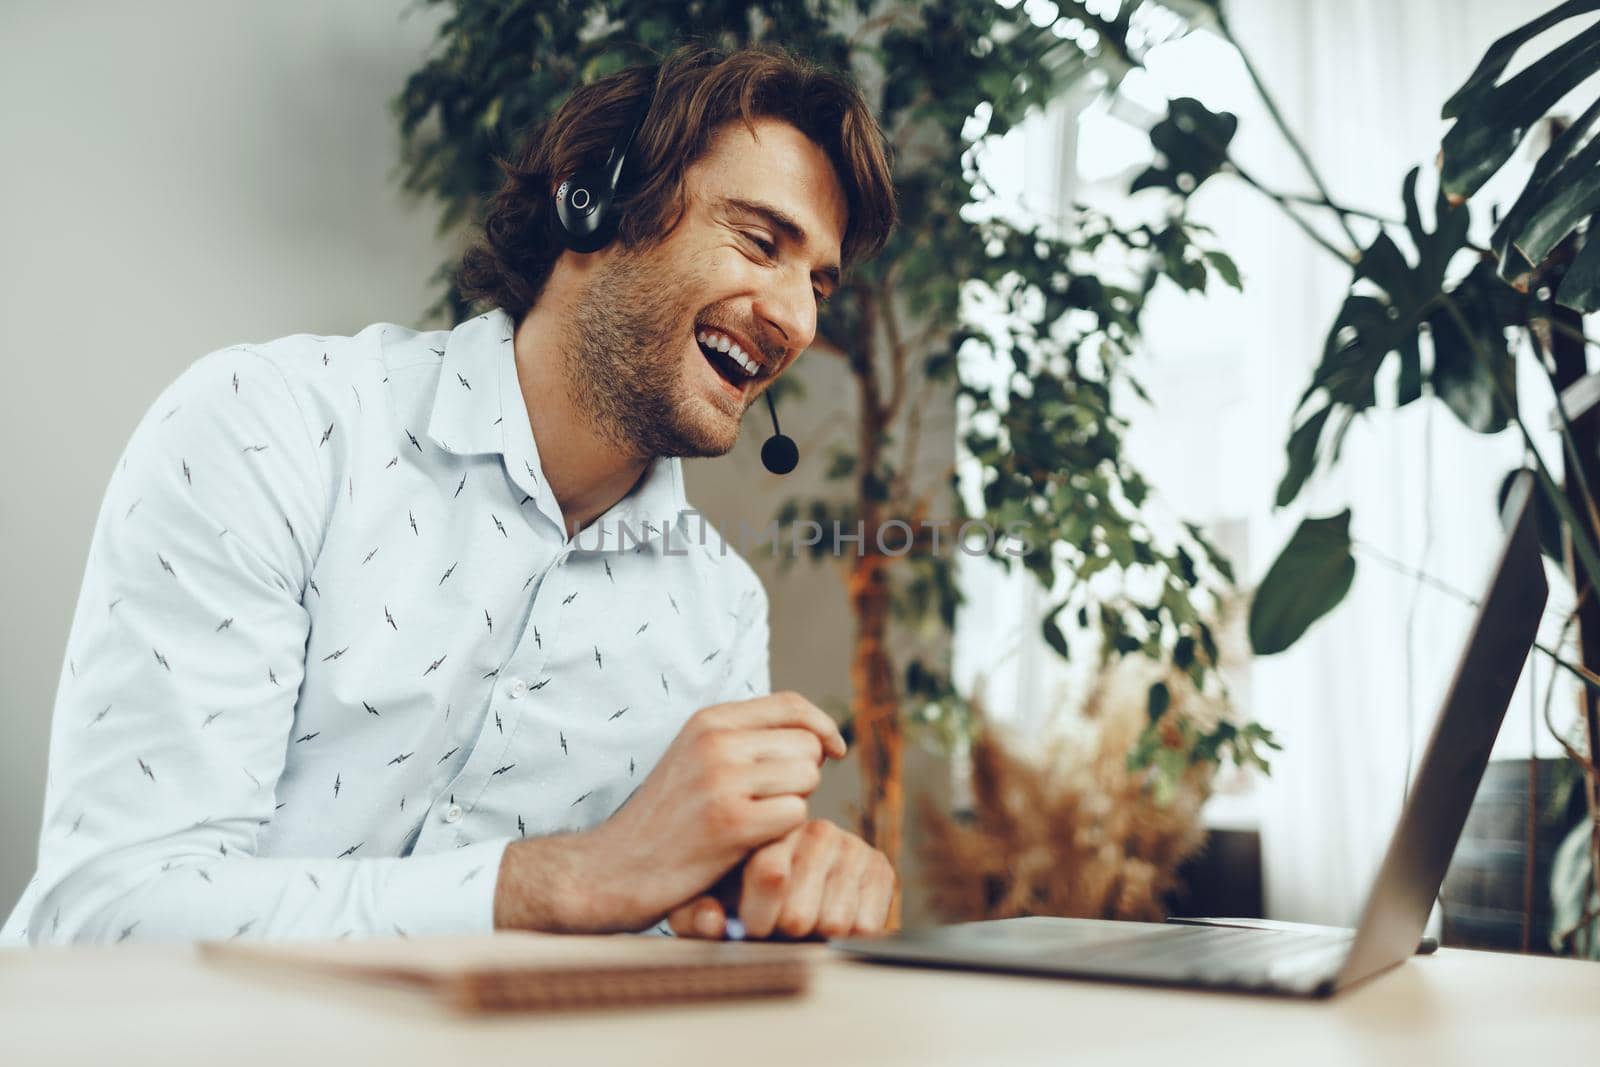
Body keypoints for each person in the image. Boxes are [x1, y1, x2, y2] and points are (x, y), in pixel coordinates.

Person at [3, 42, 898, 946]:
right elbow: (108, 918)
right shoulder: (264, 429)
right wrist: (565, 880)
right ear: (595, 204)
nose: (799, 320)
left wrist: (774, 909)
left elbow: (662, 957)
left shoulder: (720, 611)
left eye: (818, 281)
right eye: (760, 242)